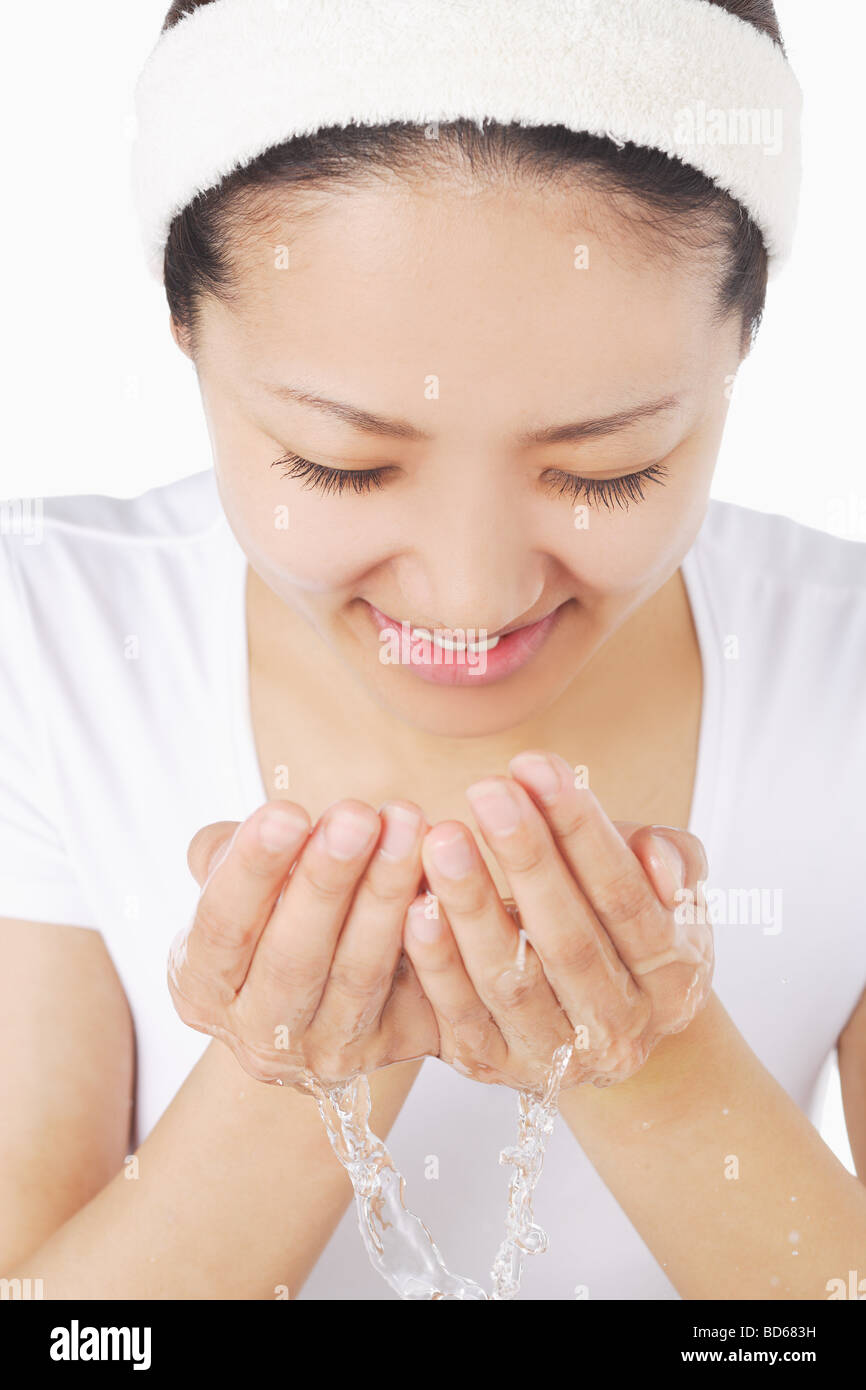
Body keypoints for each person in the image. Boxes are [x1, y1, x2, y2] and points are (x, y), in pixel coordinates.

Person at [1, 0, 864, 1301]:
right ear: (186, 327)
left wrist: (654, 1071)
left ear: (740, 348)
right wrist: (286, 1078)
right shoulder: (44, 643)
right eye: (340, 464)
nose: (470, 588)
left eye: (606, 468)